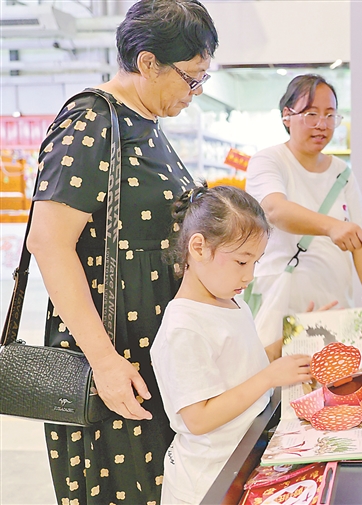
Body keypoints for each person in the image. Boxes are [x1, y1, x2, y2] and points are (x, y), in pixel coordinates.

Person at [24, 1, 218, 503]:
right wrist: (105, 362)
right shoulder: (92, 119)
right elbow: (48, 240)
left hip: (148, 347)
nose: (195, 92)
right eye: (191, 78)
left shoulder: (144, 123)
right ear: (149, 62)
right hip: (115, 354)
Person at [151, 185, 312, 505]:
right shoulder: (184, 327)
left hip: (239, 463)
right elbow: (198, 418)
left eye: (255, 263)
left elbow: (242, 366)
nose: (249, 276)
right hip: (206, 484)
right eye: (241, 262)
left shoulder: (231, 301)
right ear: (199, 247)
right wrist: (270, 377)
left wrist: (291, 339)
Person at [246, 74, 362, 348]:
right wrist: (332, 226)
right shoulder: (268, 160)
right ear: (287, 116)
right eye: (311, 114)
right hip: (280, 303)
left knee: (335, 372)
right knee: (282, 371)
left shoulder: (342, 173)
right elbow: (275, 209)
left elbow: (360, 238)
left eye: (330, 115)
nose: (322, 124)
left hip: (334, 303)